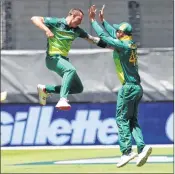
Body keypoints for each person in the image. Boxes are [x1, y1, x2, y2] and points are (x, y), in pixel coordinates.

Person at [88, 5, 152, 168]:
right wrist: (104, 21)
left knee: (121, 118)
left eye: (118, 30)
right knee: (132, 120)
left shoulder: (122, 45)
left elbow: (104, 36)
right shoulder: (130, 43)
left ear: (121, 34)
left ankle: (126, 152)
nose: (116, 31)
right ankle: (142, 148)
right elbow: (112, 34)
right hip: (137, 88)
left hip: (128, 88)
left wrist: (93, 22)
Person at [31, 8, 107, 111]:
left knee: (77, 88)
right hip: (52, 58)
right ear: (71, 15)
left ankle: (45, 89)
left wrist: (112, 45)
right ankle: (63, 99)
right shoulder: (57, 23)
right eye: (79, 19)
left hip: (63, 60)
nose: (80, 22)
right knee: (70, 70)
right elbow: (34, 18)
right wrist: (47, 30)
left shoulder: (77, 30)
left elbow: (92, 39)